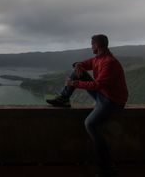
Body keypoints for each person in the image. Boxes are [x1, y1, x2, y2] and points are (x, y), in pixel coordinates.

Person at [46, 34, 128, 177]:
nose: (91, 47)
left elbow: (97, 85)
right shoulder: (98, 58)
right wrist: (77, 65)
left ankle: (107, 165)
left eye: (92, 44)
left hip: (112, 101)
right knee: (78, 71)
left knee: (90, 124)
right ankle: (64, 98)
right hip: (103, 95)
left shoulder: (109, 62)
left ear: (97, 45)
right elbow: (83, 64)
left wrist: (74, 83)